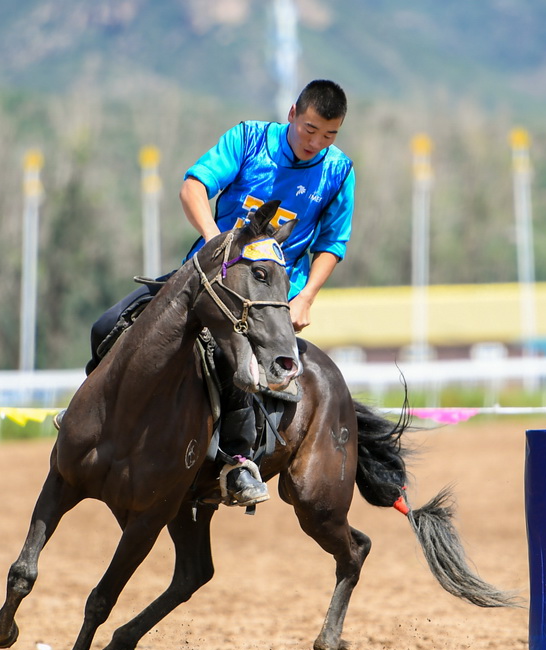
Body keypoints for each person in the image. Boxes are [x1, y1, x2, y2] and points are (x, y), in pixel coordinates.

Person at [83, 79, 355, 507]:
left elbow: (332, 244)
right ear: (291, 114)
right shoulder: (247, 139)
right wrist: (214, 241)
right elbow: (193, 186)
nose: (317, 142)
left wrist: (305, 298)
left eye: (329, 134)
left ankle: (239, 462)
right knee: (107, 326)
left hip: (266, 300)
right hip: (205, 278)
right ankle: (92, 419)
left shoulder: (339, 171)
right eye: (310, 129)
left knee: (236, 366)